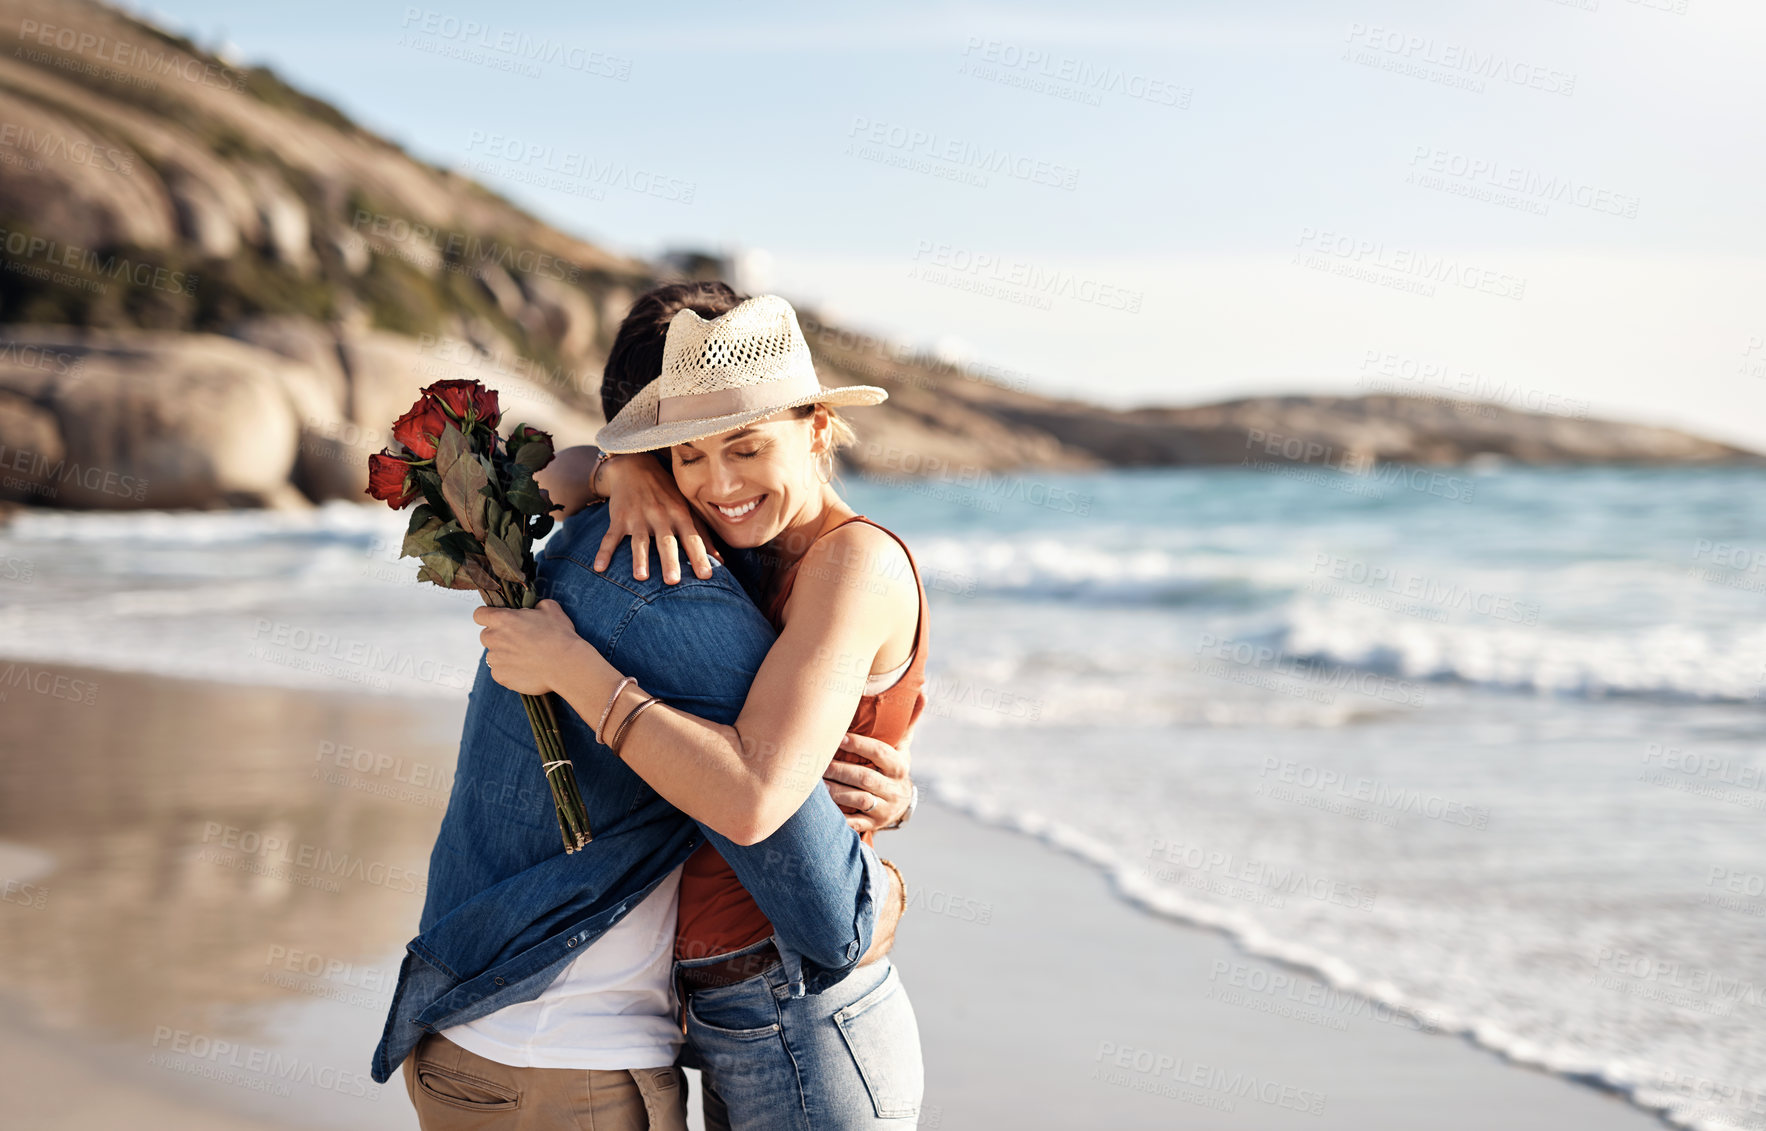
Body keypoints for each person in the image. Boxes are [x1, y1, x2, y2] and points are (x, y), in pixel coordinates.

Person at [371, 284, 917, 1131]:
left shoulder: (820, 567)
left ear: (816, 427)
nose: (717, 483)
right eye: (685, 452)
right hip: (660, 1029)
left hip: (789, 1011)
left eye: (745, 445)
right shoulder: (697, 571)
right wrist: (610, 465)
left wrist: (575, 667)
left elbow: (765, 805)